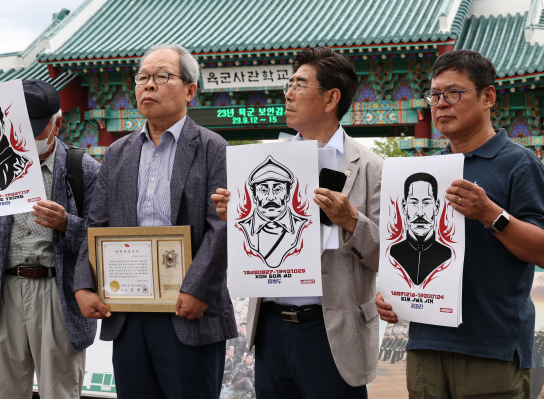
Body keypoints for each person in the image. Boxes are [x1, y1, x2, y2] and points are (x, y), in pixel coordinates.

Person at [212, 46, 382, 398]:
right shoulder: (264, 162)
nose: (288, 94)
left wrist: (351, 221)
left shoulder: (369, 167)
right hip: (272, 327)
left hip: (332, 329)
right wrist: (236, 218)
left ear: (331, 97)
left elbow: (388, 254)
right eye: (288, 85)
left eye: (299, 85)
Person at [376, 49, 544, 398]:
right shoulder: (424, 172)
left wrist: (490, 215)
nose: (441, 103)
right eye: (434, 95)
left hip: (490, 348)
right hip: (425, 344)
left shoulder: (518, 163)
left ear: (488, 97)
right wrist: (394, 294)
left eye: (453, 93)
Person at [73, 44, 237, 399]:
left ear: (190, 90)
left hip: (190, 310)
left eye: (161, 77)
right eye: (142, 78)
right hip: (129, 312)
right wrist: (83, 284)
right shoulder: (118, 153)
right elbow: (96, 224)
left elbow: (221, 225)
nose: (148, 86)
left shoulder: (213, 148)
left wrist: (197, 289)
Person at [0, 79, 101, 399]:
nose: (29, 136)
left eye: (38, 128)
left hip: (59, 291)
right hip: (3, 289)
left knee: (60, 391)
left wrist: (65, 223)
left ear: (58, 123)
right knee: (4, 391)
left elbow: (102, 237)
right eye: (23, 127)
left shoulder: (81, 168)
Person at [237, 156, 308, 267]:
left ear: (288, 195)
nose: (271, 197)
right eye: (263, 190)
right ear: (254, 196)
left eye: (278, 189)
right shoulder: (239, 228)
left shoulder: (305, 226)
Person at [390, 172, 452, 286]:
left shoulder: (449, 254)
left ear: (436, 207)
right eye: (413, 202)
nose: (420, 213)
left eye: (426, 203)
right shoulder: (392, 252)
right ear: (404, 207)